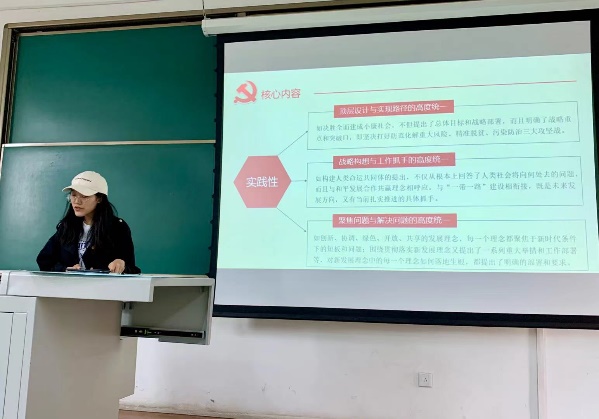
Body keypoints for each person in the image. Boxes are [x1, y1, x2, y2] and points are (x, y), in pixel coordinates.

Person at [36, 171, 141, 274]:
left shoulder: (117, 227)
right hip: (70, 285)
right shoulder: (66, 226)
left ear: (99, 198)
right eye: (73, 195)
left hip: (103, 285)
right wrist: (65, 270)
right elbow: (44, 261)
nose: (77, 201)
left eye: (84, 196)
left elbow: (132, 269)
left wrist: (121, 264)